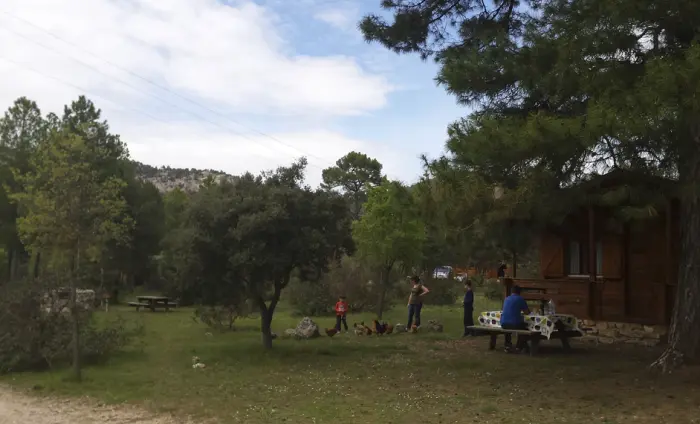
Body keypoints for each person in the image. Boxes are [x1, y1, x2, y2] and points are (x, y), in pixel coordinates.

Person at [500, 285, 530, 353]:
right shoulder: (520, 299)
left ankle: (507, 345)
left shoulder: (506, 298)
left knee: (508, 327)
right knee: (525, 327)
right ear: (519, 292)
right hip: (514, 323)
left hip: (503, 323)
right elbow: (527, 312)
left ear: (511, 292)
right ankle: (519, 347)